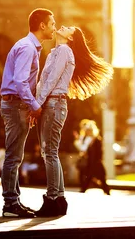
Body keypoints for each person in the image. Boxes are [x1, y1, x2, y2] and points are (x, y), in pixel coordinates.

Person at [33, 26, 113, 216]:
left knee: (50, 153)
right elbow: (42, 81)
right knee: (49, 153)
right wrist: (36, 103)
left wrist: (36, 104)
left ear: (70, 38)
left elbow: (51, 80)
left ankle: (53, 199)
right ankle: (58, 199)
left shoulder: (64, 51)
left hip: (53, 104)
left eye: (68, 28)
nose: (63, 26)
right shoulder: (55, 52)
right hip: (49, 104)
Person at [0, 8, 56, 218]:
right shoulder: (28, 48)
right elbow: (20, 82)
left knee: (15, 156)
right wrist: (34, 106)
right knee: (13, 157)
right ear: (42, 25)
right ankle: (10, 204)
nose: (54, 27)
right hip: (15, 105)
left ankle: (14, 202)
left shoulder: (29, 46)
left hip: (16, 105)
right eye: (52, 23)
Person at [74, 119, 111, 195]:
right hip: (90, 163)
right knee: (89, 177)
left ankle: (106, 191)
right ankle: (83, 189)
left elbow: (99, 152)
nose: (88, 132)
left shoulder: (97, 140)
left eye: (89, 130)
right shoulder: (87, 139)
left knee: (101, 178)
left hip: (96, 163)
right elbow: (83, 149)